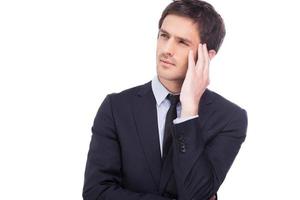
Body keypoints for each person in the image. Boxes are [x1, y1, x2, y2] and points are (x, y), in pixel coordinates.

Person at [82, 0, 248, 199]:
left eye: (182, 42)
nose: (166, 49)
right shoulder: (116, 108)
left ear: (208, 55)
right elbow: (96, 192)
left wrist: (189, 113)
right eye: (164, 36)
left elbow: (196, 193)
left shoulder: (230, 118)